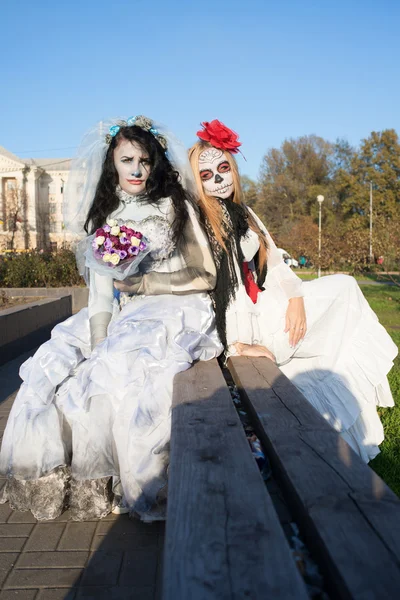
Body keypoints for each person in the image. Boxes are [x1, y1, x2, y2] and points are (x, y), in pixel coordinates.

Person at [0, 115, 222, 521]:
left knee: (135, 372)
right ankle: (78, 477)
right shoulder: (105, 215)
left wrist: (145, 284)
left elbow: (204, 274)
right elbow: (102, 291)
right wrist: (100, 337)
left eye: (144, 160)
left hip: (174, 305)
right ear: (112, 163)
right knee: (59, 367)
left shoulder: (176, 205)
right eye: (126, 160)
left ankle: (144, 479)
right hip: (122, 313)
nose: (136, 170)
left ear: (155, 162)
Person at [188, 119, 398, 463]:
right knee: (302, 332)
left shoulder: (247, 212)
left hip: (275, 299)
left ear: (234, 169)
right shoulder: (203, 220)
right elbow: (221, 289)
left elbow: (276, 264)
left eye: (223, 168)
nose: (219, 179)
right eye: (207, 175)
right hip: (248, 314)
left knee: (344, 285)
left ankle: (331, 400)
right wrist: (239, 342)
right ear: (198, 182)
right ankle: (278, 361)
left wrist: (297, 298)